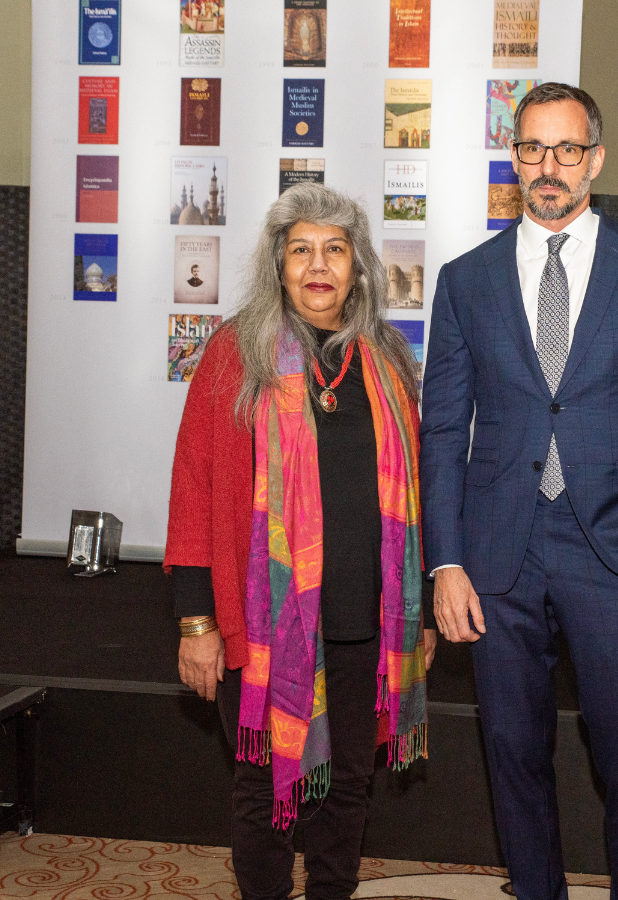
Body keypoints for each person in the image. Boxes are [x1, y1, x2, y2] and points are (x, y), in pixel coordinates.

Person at [421, 83, 618, 900]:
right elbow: (442, 432)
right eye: (532, 150)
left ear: (597, 159)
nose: (549, 169)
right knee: (513, 755)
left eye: (568, 150)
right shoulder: (465, 279)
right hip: (496, 559)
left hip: (617, 555)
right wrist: (444, 561)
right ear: (513, 156)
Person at [165, 182, 436, 900]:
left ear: (359, 267)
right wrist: (196, 623)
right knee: (265, 796)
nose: (319, 266)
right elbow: (193, 490)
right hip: (261, 630)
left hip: (365, 629)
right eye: (301, 250)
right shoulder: (235, 354)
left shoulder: (387, 361)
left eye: (335, 250)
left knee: (346, 789)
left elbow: (419, 496)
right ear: (278, 265)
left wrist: (423, 615)